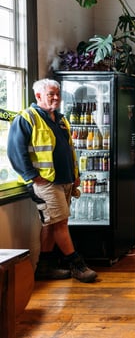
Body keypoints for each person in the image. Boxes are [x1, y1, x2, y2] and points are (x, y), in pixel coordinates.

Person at [8, 78, 98, 283]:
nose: (56, 98)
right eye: (51, 94)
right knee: (60, 222)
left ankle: (44, 268)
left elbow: (70, 150)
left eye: (58, 94)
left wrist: (75, 175)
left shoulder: (60, 119)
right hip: (45, 182)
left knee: (50, 224)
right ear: (38, 95)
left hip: (65, 180)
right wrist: (33, 177)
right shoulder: (26, 118)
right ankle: (77, 265)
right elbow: (15, 152)